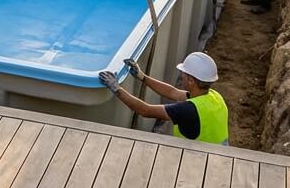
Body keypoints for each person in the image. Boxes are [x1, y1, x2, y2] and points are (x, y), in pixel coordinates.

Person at [97, 52, 230, 145]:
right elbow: (173, 92)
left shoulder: (188, 110)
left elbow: (145, 110)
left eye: (184, 73)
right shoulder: (214, 96)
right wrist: (142, 77)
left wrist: (116, 88)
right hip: (221, 155)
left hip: (199, 161)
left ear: (191, 81)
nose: (181, 75)